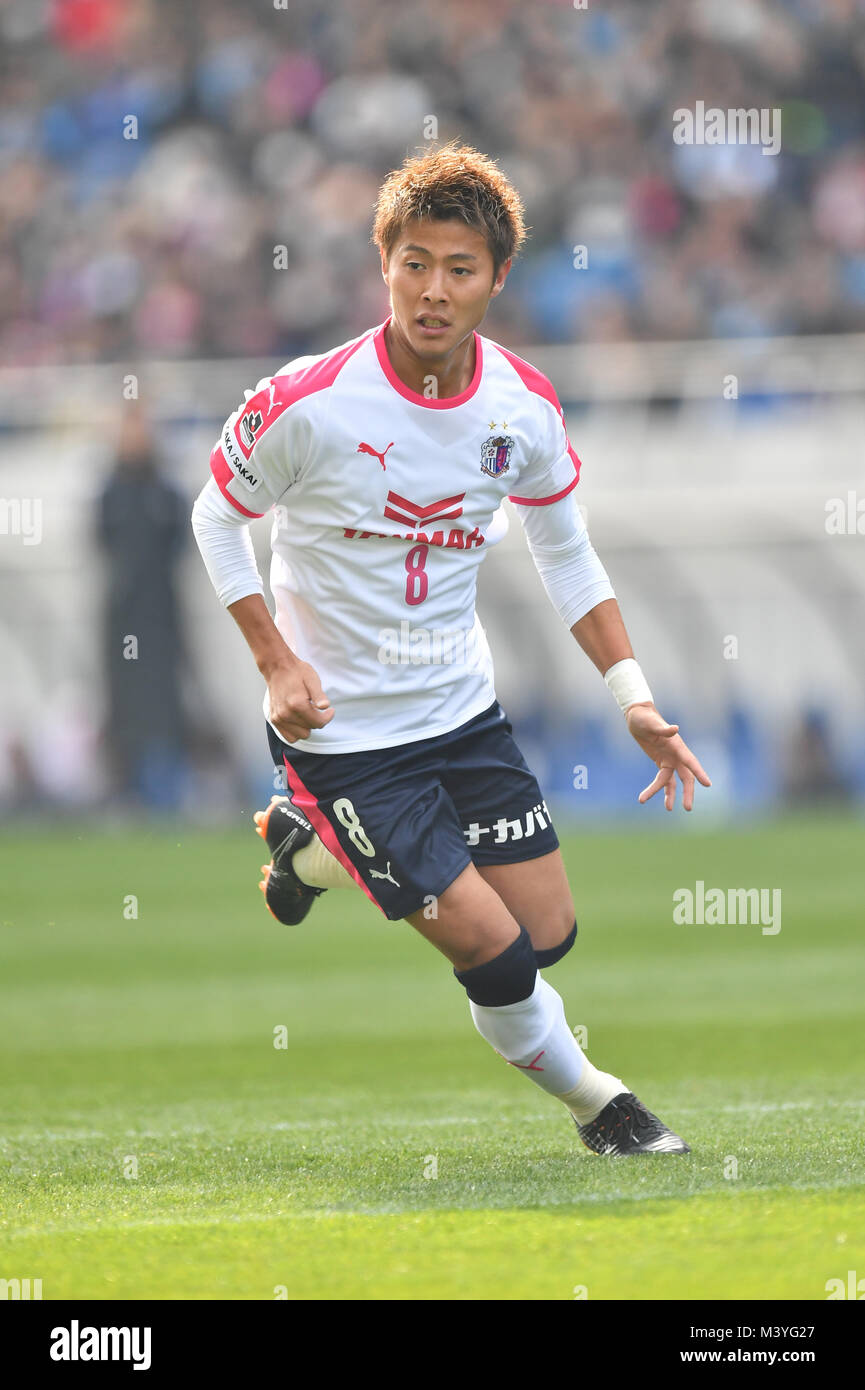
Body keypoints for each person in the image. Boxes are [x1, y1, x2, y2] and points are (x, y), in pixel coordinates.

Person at [192, 142, 711, 1156]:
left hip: (461, 709)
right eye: (413, 263)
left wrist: (632, 696)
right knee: (498, 953)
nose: (433, 291)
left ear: (496, 278)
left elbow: (567, 555)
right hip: (344, 735)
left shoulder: (521, 407)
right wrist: (273, 663)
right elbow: (216, 516)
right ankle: (604, 1109)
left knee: (549, 929)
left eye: (458, 268)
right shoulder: (309, 400)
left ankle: (308, 849)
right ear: (382, 261)